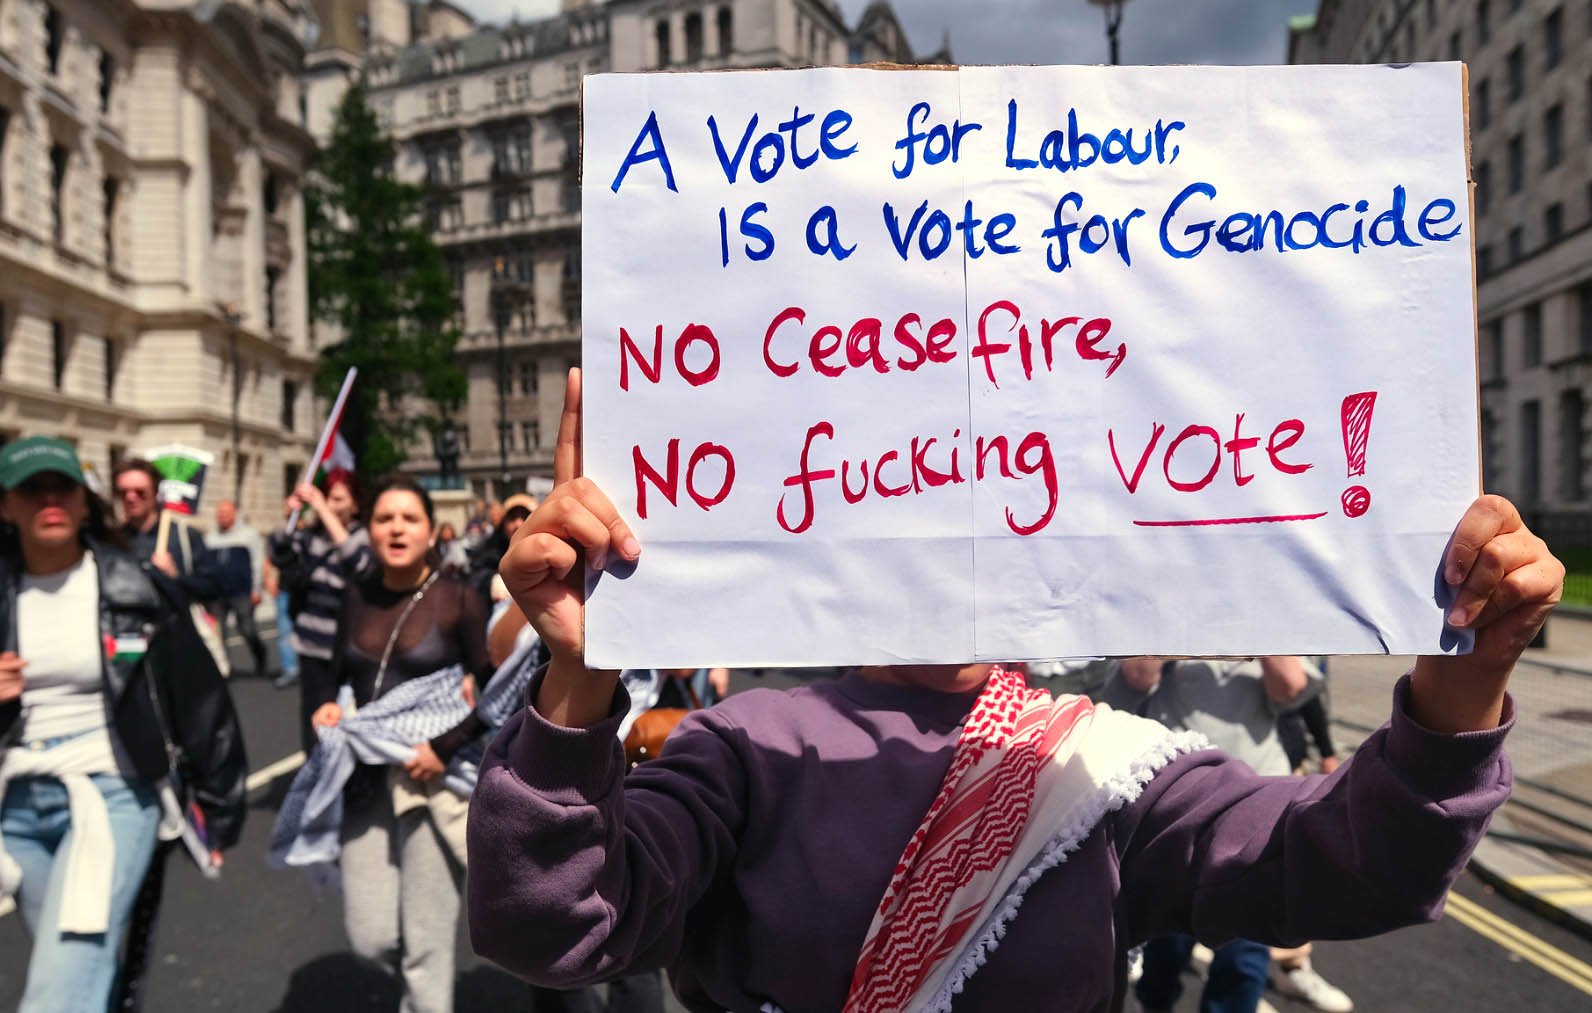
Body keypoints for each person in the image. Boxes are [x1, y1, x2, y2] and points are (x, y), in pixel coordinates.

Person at [464, 370, 1563, 1011]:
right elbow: (548, 929)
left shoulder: (1105, 765)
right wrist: (579, 675)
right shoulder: (743, 746)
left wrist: (1464, 679)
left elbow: (1358, 867)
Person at [0, 437, 246, 1010]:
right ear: (7, 505)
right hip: (15, 809)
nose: (49, 500)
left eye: (62, 487)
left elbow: (200, 699)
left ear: (84, 500)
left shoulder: (135, 584)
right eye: (32, 489)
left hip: (111, 793)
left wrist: (219, 808)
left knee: (60, 990)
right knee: (88, 976)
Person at [312, 477, 494, 1013]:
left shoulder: (458, 597)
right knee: (370, 939)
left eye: (409, 519)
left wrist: (444, 747)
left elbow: (495, 694)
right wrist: (326, 706)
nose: (396, 529)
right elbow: (330, 676)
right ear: (368, 530)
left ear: (431, 531)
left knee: (425, 945)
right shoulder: (354, 596)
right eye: (384, 518)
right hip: (364, 779)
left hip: (429, 779)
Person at [1100, 657, 1353, 1013]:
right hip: (1176, 806)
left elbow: (1291, 687)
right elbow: (1137, 675)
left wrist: (1252, 633)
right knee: (1166, 945)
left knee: (1245, 949)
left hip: (1255, 803)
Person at [268, 472, 373, 749]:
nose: (329, 505)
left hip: (349, 647)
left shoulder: (363, 537)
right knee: (313, 720)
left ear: (355, 504)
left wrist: (324, 511)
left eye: (338, 499)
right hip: (312, 644)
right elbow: (279, 554)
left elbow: (359, 564)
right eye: (327, 498)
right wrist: (288, 519)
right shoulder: (312, 536)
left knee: (348, 721)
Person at [111, 459, 221, 605]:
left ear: (155, 492)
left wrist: (175, 575)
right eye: (122, 492)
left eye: (140, 492)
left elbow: (212, 589)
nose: (130, 497)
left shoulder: (184, 535)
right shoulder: (112, 540)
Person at [208, 499, 268, 678]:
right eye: (220, 513)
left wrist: (257, 589)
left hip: (242, 592)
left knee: (247, 629)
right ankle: (224, 667)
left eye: (226, 513)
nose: (222, 517)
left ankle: (260, 655)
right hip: (216, 593)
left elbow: (258, 562)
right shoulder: (210, 538)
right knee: (218, 633)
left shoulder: (249, 535)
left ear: (235, 514)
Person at [463, 494, 536, 600]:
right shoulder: (488, 551)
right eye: (512, 518)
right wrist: (492, 581)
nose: (518, 524)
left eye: (525, 517)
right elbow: (474, 580)